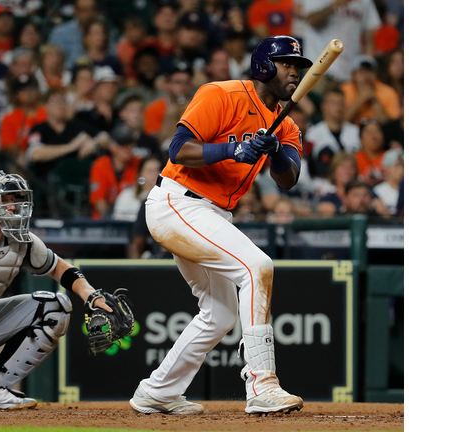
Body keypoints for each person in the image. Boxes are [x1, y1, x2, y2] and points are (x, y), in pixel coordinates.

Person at [129, 35, 310, 415]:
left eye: (299, 65)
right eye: (286, 62)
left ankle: (157, 391)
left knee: (220, 313)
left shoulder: (286, 125)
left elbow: (288, 179)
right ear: (263, 65)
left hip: (211, 213)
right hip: (178, 201)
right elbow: (179, 149)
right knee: (257, 266)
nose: (295, 70)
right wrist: (232, 149)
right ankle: (262, 383)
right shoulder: (221, 94)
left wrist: (275, 150)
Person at [0, 170, 116, 411]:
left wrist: (91, 294)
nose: (12, 207)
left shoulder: (22, 241)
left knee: (56, 306)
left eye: (14, 200)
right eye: (2, 200)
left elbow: (60, 268)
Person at [302, 0, 381, 85]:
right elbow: (311, 20)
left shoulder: (365, 2)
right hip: (318, 67)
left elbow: (369, 35)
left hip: (349, 71)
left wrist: (367, 66)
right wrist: (335, 4)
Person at [304, 88, 361, 179]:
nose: (338, 107)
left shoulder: (355, 131)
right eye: (333, 103)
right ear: (324, 106)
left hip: (353, 180)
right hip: (322, 181)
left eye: (341, 103)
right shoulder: (312, 133)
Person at [88, 126, 142, 220]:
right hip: (103, 222)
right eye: (122, 144)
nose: (127, 148)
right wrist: (113, 221)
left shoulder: (139, 164)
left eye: (130, 144)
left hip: (131, 220)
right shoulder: (100, 165)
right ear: (112, 146)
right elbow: (99, 201)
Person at [143, 62, 194, 146]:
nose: (183, 87)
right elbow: (154, 143)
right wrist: (170, 117)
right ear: (167, 84)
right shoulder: (153, 108)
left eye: (186, 83)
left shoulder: (198, 107)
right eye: (178, 82)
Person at [341, 55, 400, 125]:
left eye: (370, 72)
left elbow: (391, 126)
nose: (366, 77)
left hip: (379, 133)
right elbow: (339, 123)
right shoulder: (343, 90)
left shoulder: (388, 92)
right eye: (362, 72)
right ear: (353, 75)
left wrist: (374, 100)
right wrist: (359, 99)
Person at [48, 0, 103, 70]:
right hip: (67, 76)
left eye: (90, 10)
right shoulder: (61, 32)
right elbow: (51, 60)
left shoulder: (103, 31)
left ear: (96, 12)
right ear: (76, 11)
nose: (87, 14)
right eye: (83, 10)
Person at [112, 155, 162, 221]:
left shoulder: (168, 197)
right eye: (150, 171)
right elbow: (118, 220)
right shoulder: (127, 195)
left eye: (158, 170)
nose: (155, 174)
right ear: (141, 173)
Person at [317, 152, 359, 216]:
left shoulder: (365, 194)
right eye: (343, 167)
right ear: (334, 172)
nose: (347, 171)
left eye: (351, 167)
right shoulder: (327, 199)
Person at [354, 118, 385, 185]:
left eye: (377, 131)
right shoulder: (354, 159)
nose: (374, 136)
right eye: (369, 132)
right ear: (361, 138)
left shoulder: (390, 157)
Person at [371, 148, 403, 215]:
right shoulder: (377, 191)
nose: (402, 170)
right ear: (385, 168)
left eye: (403, 166)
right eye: (397, 166)